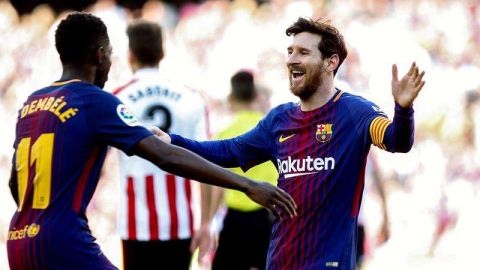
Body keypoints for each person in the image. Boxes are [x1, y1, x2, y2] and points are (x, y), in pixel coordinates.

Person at [6, 12, 296, 270]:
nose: (111, 62)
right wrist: (247, 184)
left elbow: (14, 184)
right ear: (99, 56)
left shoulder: (32, 103)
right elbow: (166, 156)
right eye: (109, 54)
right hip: (67, 241)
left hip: (19, 240)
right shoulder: (96, 100)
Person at [154, 17, 426, 269]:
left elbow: (396, 141)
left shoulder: (356, 112)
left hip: (328, 264)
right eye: (290, 51)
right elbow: (228, 152)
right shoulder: (279, 120)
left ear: (331, 62)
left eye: (303, 53)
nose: (291, 60)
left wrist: (403, 110)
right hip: (281, 260)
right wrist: (172, 141)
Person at [112, 20, 215, 270]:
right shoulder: (191, 97)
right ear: (162, 53)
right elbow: (208, 162)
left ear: (130, 55)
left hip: (136, 222)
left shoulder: (117, 98)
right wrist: (206, 223)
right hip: (180, 221)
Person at [210, 70, 278, 270]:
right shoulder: (272, 131)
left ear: (231, 98)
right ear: (256, 95)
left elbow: (216, 185)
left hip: (236, 219)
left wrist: (209, 220)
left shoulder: (223, 133)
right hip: (267, 216)